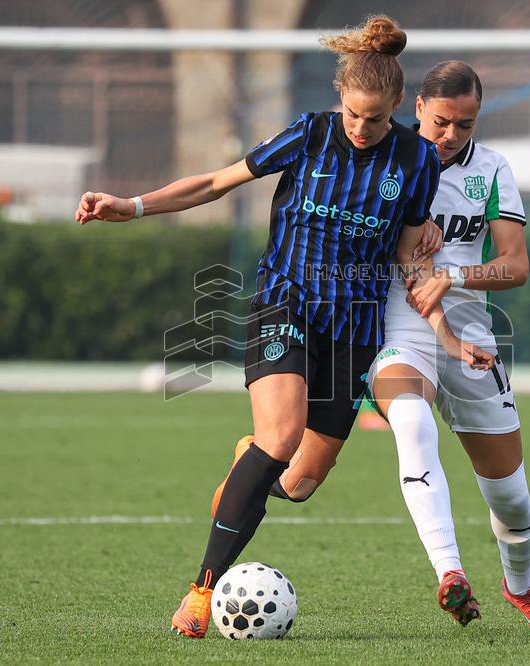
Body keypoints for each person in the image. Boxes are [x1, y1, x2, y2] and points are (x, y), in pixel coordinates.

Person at [76, 15, 489, 639]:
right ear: (339, 99)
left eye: (374, 118)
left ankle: (254, 462)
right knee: (280, 434)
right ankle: (201, 590)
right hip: (285, 303)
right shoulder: (309, 135)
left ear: (398, 107)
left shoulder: (415, 160)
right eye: (351, 113)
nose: (359, 128)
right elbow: (216, 183)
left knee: (296, 481)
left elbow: (411, 259)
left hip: (352, 329)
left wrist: (450, 338)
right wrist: (132, 207)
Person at [242, 60, 530, 632]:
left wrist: (456, 277)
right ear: (416, 108)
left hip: (471, 339)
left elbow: (515, 266)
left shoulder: (491, 170)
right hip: (399, 333)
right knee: (412, 423)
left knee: (512, 500)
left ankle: (522, 589)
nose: (450, 136)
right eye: (441, 121)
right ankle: (450, 574)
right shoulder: (385, 157)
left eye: (465, 125)